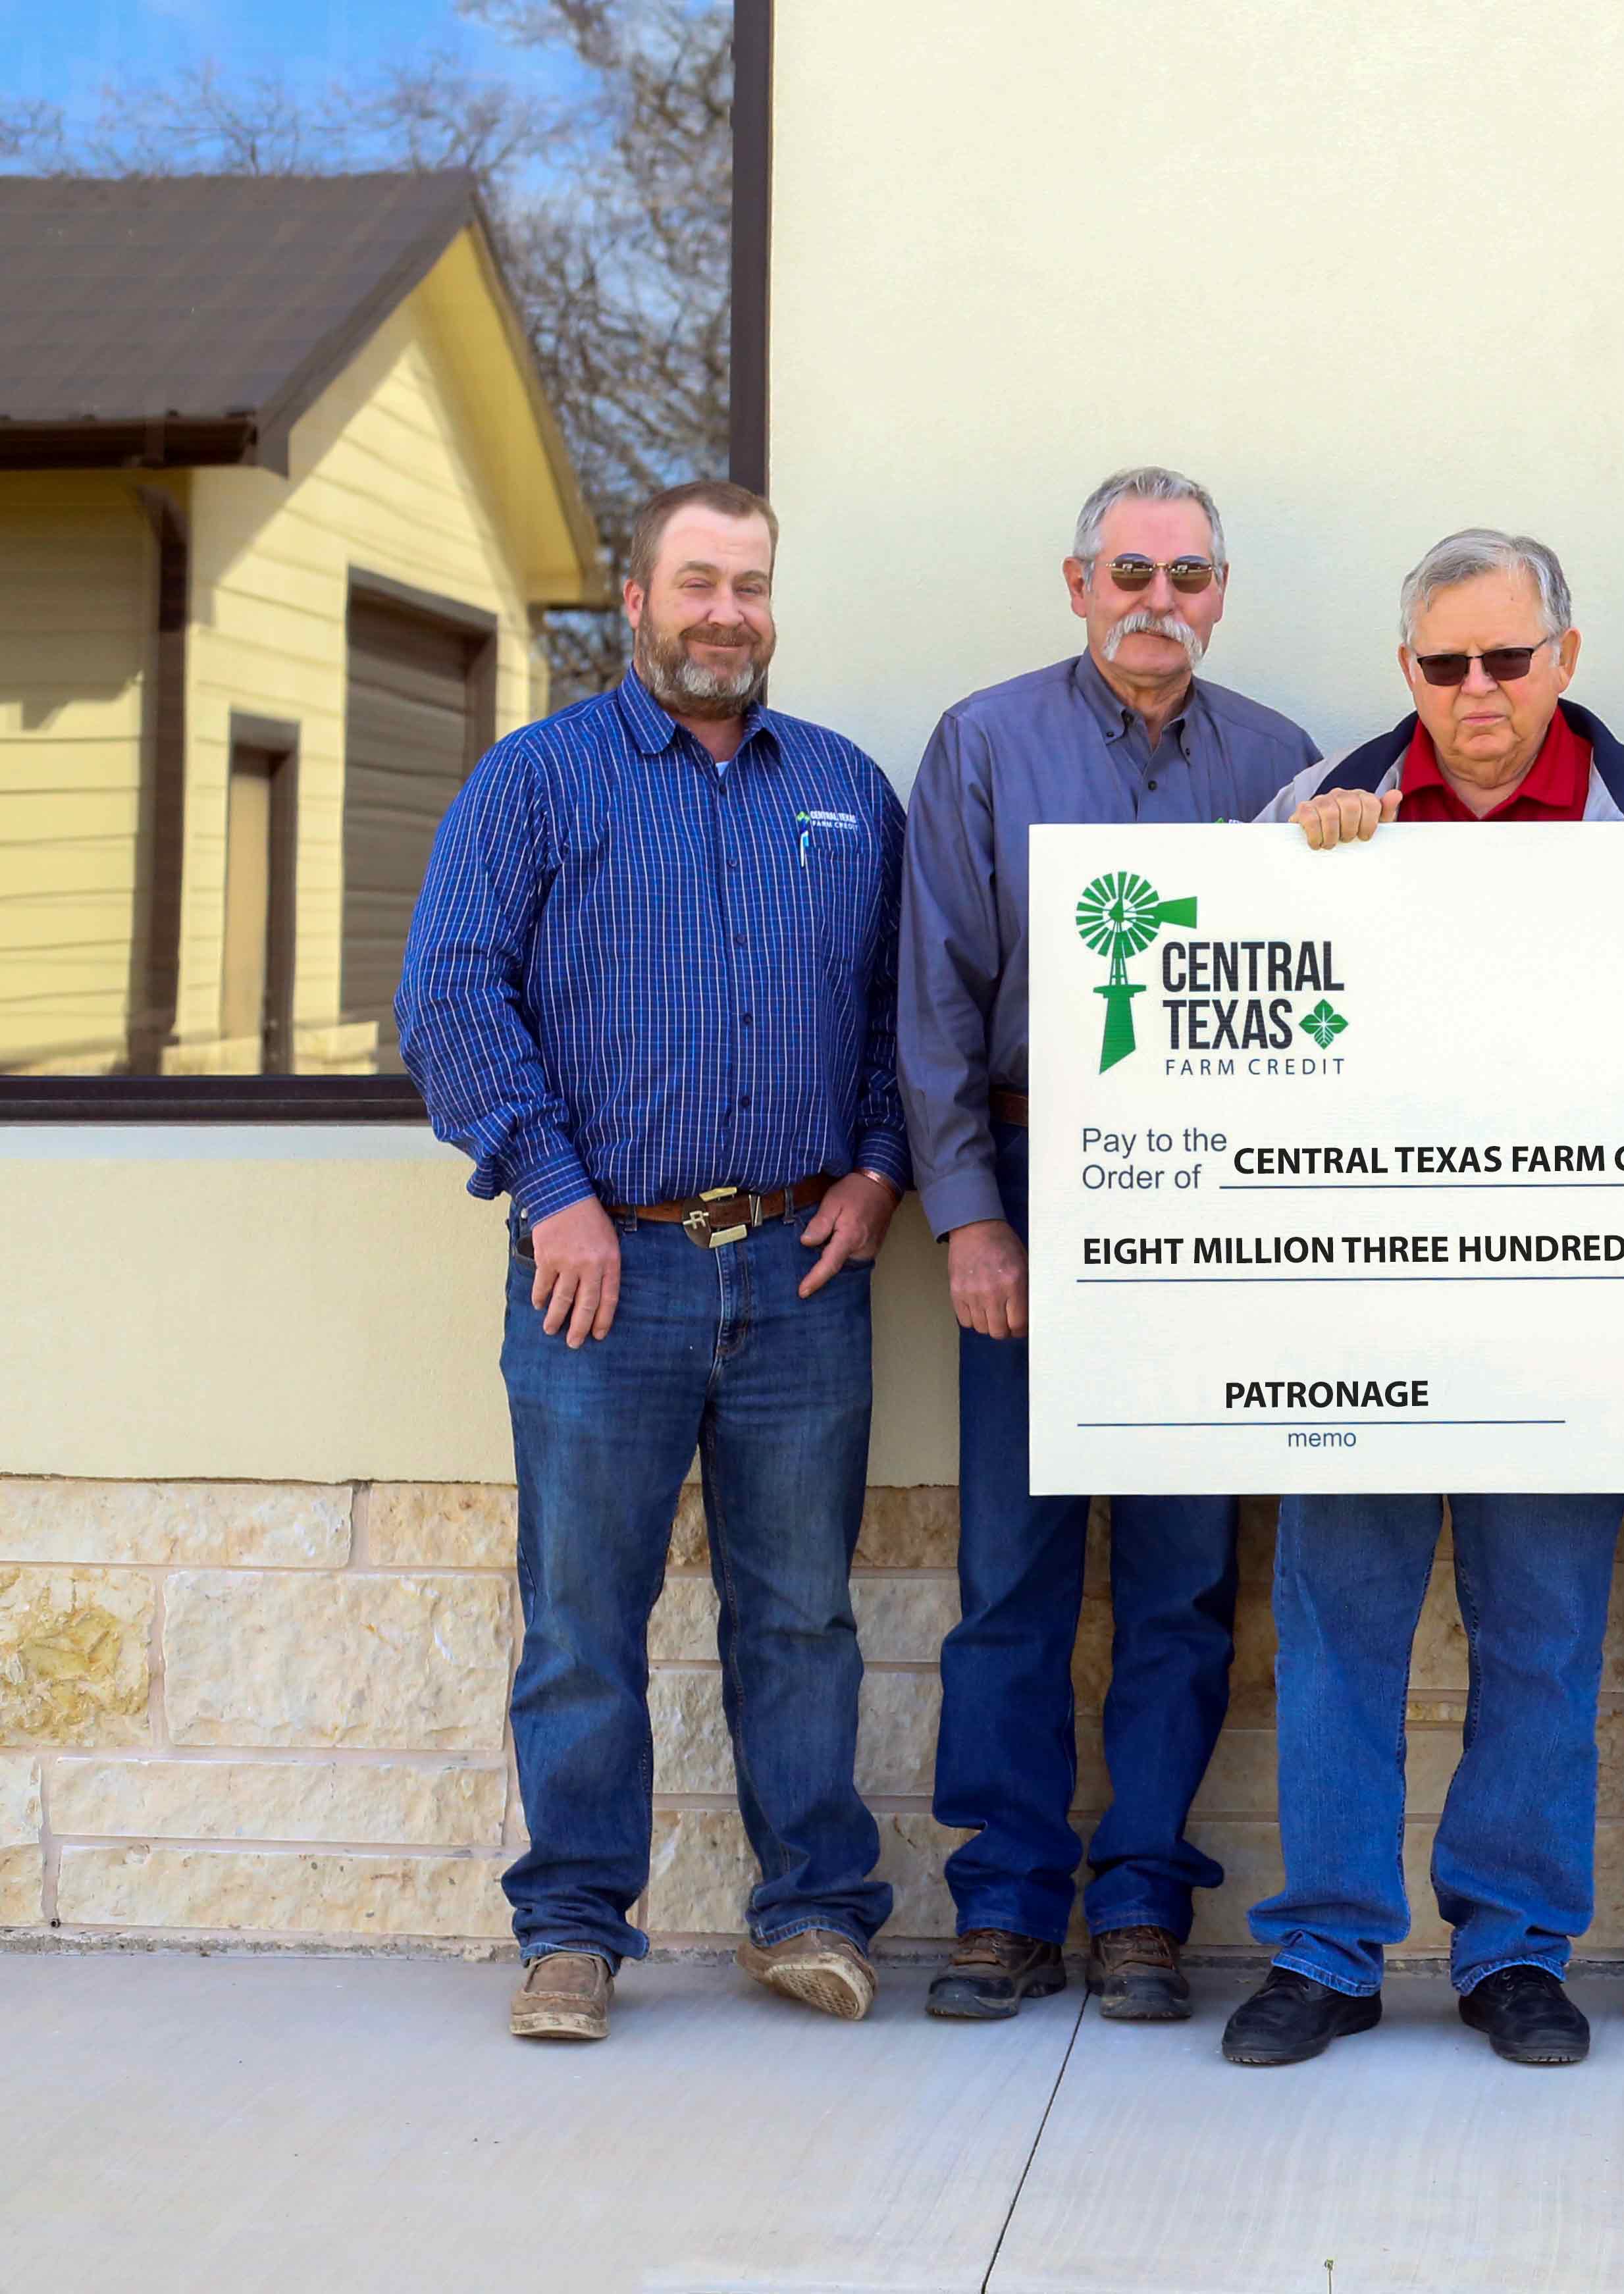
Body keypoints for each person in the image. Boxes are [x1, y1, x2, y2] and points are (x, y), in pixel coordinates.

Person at [399, 478, 906, 2043]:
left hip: (799, 1272)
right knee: (582, 1615)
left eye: (750, 585)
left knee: (801, 1615)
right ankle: (571, 1930)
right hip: (598, 1270)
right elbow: (448, 998)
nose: (726, 614)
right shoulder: (535, 780)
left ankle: (811, 1911)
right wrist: (549, 1190)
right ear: (635, 601)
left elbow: (908, 1015)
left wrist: (883, 1170)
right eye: (697, 583)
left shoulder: (841, 787)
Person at [1219, 530, 1624, 2071]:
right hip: (1352, 1308)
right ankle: (1327, 1950)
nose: (1479, 690)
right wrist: (1287, 888)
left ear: (1567, 656)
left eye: (1509, 658)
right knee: (1337, 1632)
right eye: (1447, 665)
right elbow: (1219, 1029)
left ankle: (1512, 1953)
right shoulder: (1304, 817)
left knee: (1545, 1639)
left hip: (1568, 1311)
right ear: (1407, 673)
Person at [899, 467, 1320, 2023]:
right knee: (1011, 1573)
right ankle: (1004, 1904)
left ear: (1221, 592)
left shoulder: (1282, 762)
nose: (1161, 601)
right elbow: (931, 999)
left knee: (1181, 1576)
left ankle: (1141, 1899)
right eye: (1131, 571)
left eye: (1191, 575)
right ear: (1076, 582)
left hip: (1207, 1207)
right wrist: (970, 1219)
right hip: (1027, 1172)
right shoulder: (985, 743)